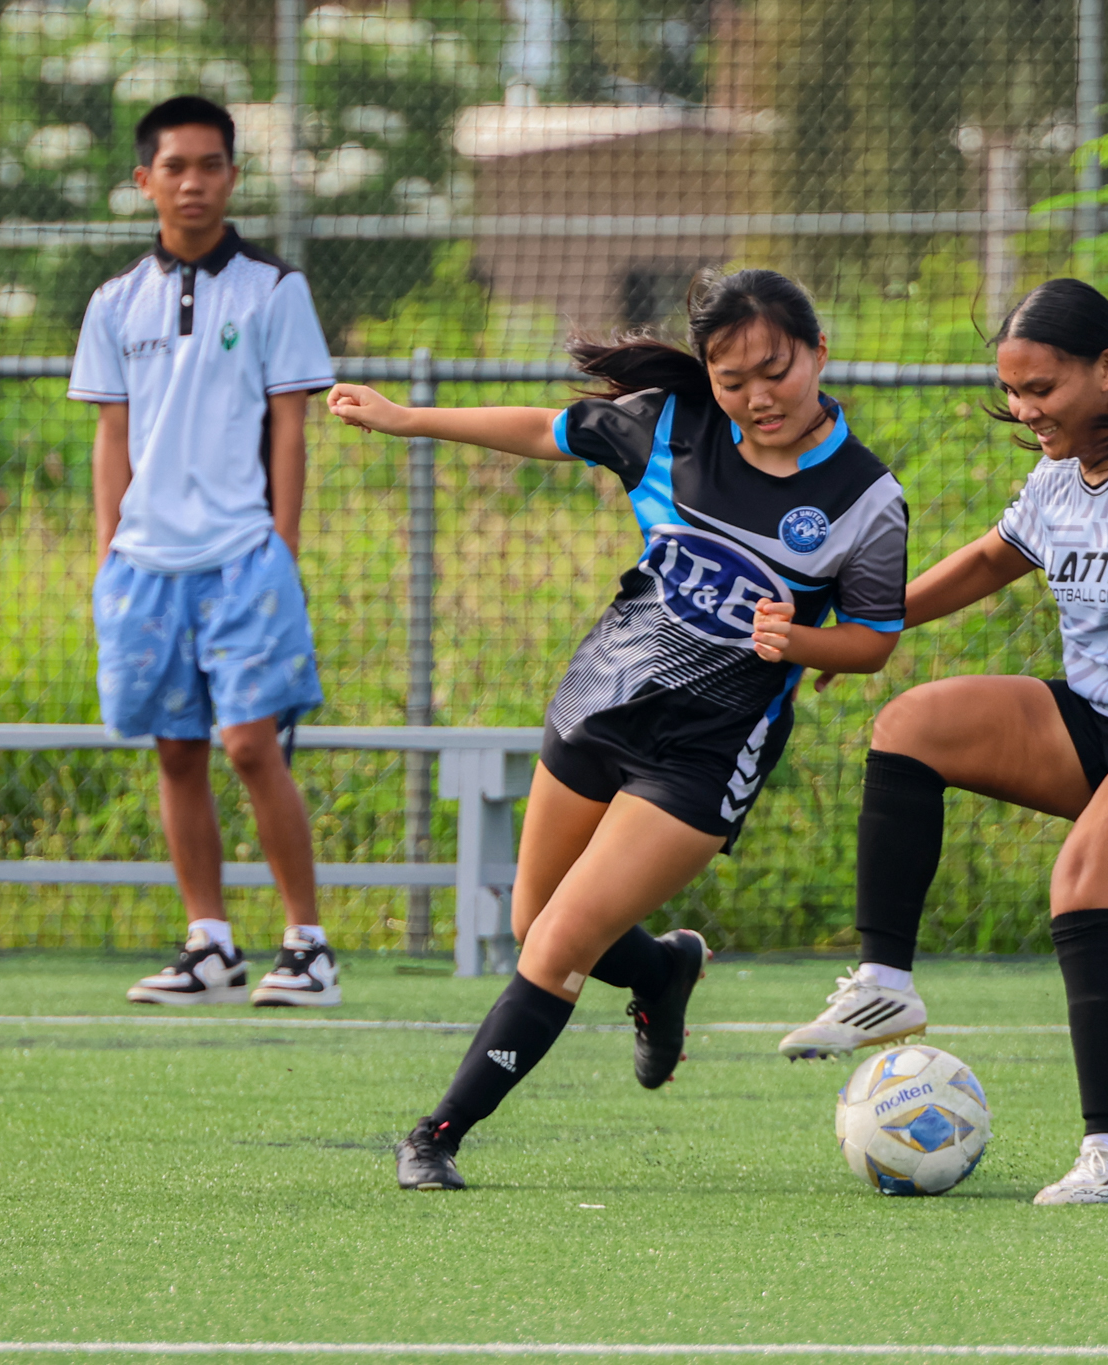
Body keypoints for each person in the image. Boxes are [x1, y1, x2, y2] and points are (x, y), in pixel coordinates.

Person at [326, 269, 909, 1192]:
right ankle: (664, 971)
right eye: (732, 378)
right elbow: (544, 430)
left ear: (819, 351)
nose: (758, 396)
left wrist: (801, 639)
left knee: (555, 946)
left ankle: (437, 1132)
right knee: (535, 920)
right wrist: (408, 419)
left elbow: (874, 638)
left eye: (776, 369)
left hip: (705, 754)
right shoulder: (666, 426)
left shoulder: (866, 499)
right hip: (599, 704)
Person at [778, 278, 1108, 1205]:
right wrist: (865, 624)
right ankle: (885, 983)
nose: (1024, 412)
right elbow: (991, 558)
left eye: (1042, 391)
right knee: (910, 725)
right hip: (1100, 715)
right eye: (1013, 392)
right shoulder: (1060, 476)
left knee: (1085, 887)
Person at [67, 96, 341, 1008]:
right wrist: (109, 553)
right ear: (144, 180)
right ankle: (211, 945)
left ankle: (307, 945)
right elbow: (113, 435)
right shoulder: (113, 302)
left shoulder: (273, 289)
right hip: (144, 569)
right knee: (177, 750)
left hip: (242, 558)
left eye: (211, 164)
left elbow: (290, 429)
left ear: (232, 176)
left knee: (252, 746)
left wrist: (281, 546)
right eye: (175, 166)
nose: (194, 182)